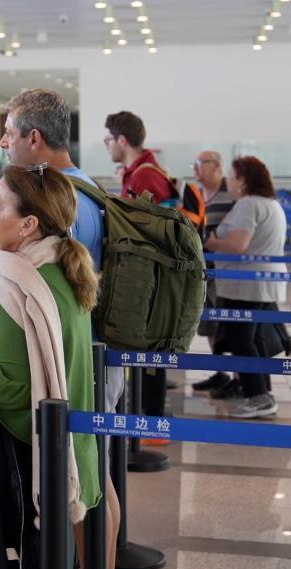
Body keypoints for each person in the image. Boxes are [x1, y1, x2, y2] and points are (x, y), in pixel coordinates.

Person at [0, 88, 119, 569]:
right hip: (83, 355)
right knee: (92, 478)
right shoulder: (78, 186)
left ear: (34, 137)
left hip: (80, 361)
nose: (3, 142)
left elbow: (59, 293)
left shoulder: (65, 198)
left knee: (87, 484)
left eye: (9, 132)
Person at [0, 164, 101, 561]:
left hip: (32, 462)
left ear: (28, 225)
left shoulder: (19, 291)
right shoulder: (65, 270)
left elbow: (16, 389)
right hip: (78, 452)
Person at [203, 156, 286, 418]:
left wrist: (213, 243)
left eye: (231, 175)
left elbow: (238, 244)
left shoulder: (248, 204)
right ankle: (264, 395)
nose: (228, 180)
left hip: (246, 286)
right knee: (255, 339)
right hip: (263, 284)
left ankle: (256, 396)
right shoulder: (270, 204)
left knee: (242, 340)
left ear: (242, 179)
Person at [104, 110, 169, 420]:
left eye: (108, 140)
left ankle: (152, 422)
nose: (107, 146)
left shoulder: (144, 176)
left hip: (150, 275)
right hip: (147, 273)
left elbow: (148, 232)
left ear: (122, 140)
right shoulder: (139, 173)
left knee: (150, 352)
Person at [191, 150, 237, 393]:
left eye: (200, 163)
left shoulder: (232, 191)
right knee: (210, 323)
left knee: (232, 325)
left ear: (217, 166)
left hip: (230, 271)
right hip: (206, 269)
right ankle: (220, 373)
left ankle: (239, 378)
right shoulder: (197, 194)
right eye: (194, 163)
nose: (195, 168)